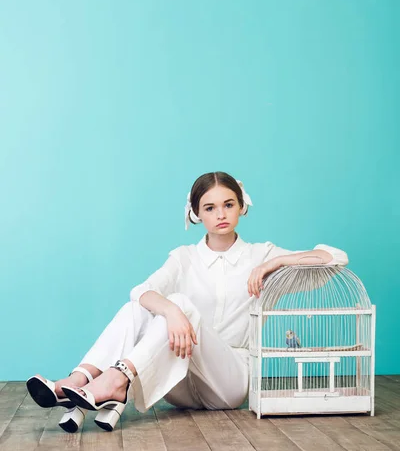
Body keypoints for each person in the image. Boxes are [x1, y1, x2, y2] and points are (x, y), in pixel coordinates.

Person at [26, 171, 349, 432]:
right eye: (210, 208)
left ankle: (112, 381)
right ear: (196, 213)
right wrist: (171, 312)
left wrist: (273, 265)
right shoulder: (184, 258)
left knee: (180, 303)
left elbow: (334, 258)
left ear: (241, 207)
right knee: (141, 307)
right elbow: (141, 291)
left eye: (229, 204)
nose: (221, 214)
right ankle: (80, 379)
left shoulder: (259, 255)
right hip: (178, 382)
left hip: (230, 380)